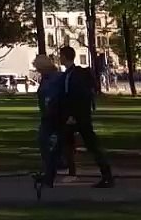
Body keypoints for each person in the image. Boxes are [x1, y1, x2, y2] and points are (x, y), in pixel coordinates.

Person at [56, 46, 113, 188]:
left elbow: (78, 97)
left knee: (90, 145)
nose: (59, 58)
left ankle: (106, 175)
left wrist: (72, 115)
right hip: (76, 116)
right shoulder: (70, 74)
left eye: (60, 56)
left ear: (64, 57)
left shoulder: (74, 75)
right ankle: (63, 172)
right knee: (65, 143)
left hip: (79, 117)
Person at [34, 55, 62, 186]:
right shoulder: (47, 78)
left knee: (46, 141)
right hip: (49, 115)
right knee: (46, 142)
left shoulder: (53, 78)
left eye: (38, 68)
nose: (38, 71)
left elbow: (51, 96)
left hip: (53, 115)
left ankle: (51, 171)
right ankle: (50, 172)